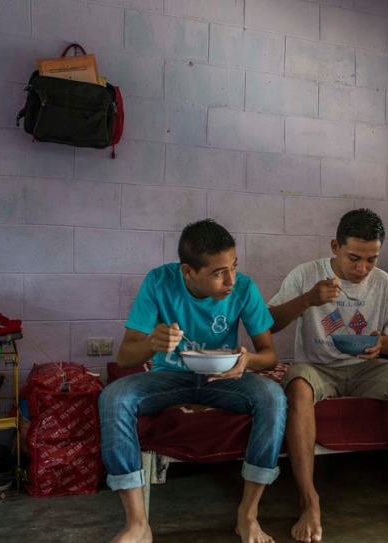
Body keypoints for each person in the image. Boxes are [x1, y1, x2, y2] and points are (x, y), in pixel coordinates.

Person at [99, 219, 286, 543]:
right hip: (169, 377)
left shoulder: (244, 288)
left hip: (224, 378)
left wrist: (247, 361)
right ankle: (138, 524)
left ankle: (248, 514)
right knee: (114, 398)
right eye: (218, 272)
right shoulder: (158, 282)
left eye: (234, 267)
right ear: (188, 271)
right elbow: (125, 358)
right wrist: (152, 344)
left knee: (272, 396)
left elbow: (269, 356)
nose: (231, 280)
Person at [268, 209, 388, 543]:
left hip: (365, 368)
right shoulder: (307, 275)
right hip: (317, 369)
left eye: (371, 259)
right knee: (298, 384)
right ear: (335, 246)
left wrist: (379, 345)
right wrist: (307, 299)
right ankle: (309, 499)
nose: (362, 269)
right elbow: (268, 323)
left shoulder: (383, 281)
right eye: (354, 258)